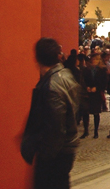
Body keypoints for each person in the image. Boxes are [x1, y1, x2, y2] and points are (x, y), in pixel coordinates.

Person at [21, 37, 81, 189]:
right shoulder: (66, 75)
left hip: (56, 154)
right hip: (66, 148)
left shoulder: (52, 85)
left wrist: (46, 154)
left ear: (37, 57)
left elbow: (56, 124)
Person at [81, 53, 108, 139]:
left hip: (97, 94)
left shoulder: (102, 70)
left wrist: (97, 88)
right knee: (85, 112)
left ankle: (96, 131)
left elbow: (104, 82)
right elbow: (83, 80)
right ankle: (86, 131)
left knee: (96, 113)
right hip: (88, 94)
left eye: (96, 60)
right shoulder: (86, 70)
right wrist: (87, 87)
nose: (95, 61)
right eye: (93, 60)